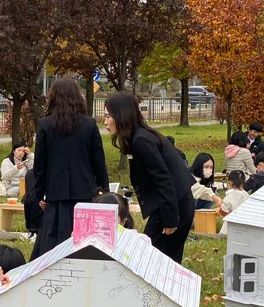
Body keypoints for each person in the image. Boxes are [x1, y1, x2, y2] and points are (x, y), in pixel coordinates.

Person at [104, 92, 195, 263]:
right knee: (163, 262)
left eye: (108, 116)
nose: (105, 122)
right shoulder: (140, 137)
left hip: (173, 207)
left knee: (150, 260)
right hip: (172, 205)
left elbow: (164, 179)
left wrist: (170, 219)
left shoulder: (141, 140)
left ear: (121, 116)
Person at [31, 79, 109, 260]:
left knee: (52, 244)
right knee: (85, 241)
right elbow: (98, 160)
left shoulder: (45, 124)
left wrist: (39, 193)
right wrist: (104, 188)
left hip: (55, 192)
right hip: (84, 190)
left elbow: (40, 166)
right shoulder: (89, 125)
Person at [218, 171, 249, 235]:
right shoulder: (246, 194)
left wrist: (218, 209)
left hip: (230, 228)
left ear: (230, 182)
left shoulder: (229, 196)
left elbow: (224, 212)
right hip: (246, 226)